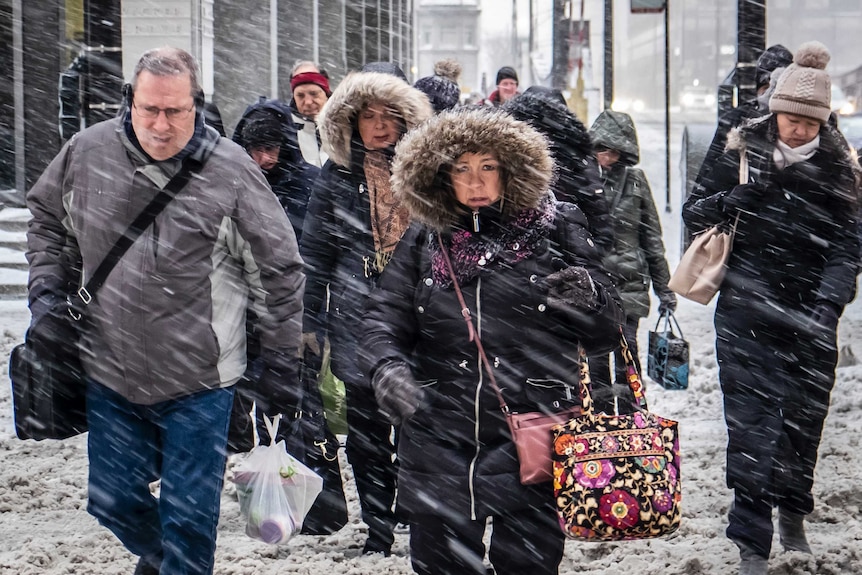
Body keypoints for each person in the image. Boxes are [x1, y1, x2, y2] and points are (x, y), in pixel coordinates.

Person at [25, 47, 305, 575]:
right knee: (110, 500)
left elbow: (280, 269)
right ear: (130, 100)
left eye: (175, 111)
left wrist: (283, 360)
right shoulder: (87, 153)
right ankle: (164, 560)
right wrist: (46, 295)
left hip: (202, 377)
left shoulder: (231, 171)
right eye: (149, 108)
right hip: (110, 367)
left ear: (195, 105)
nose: (160, 123)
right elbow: (44, 221)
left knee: (189, 518)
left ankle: (178, 560)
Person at [359, 107, 625, 575]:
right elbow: (384, 316)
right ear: (442, 176)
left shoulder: (557, 228)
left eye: (488, 167)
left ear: (510, 171)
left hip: (533, 430)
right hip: (439, 430)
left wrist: (591, 298)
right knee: (442, 566)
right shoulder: (426, 238)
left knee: (528, 566)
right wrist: (388, 368)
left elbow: (607, 328)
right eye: (462, 169)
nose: (475, 182)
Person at [682, 41, 860, 575]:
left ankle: (793, 514)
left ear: (822, 122)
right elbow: (695, 212)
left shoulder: (839, 166)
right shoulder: (740, 149)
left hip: (811, 316)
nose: (798, 129)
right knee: (752, 426)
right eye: (790, 117)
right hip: (745, 310)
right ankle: (752, 544)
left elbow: (850, 245)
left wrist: (829, 303)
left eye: (809, 122)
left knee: (803, 425)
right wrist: (732, 201)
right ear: (775, 108)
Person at [300, 64, 433, 556]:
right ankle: (378, 527)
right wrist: (307, 321)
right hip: (355, 319)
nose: (379, 125)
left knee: (420, 425)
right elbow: (314, 253)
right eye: (367, 116)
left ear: (406, 120)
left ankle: (417, 516)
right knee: (365, 433)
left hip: (419, 321)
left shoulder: (427, 176)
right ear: (350, 123)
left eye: (389, 115)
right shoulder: (335, 178)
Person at [586, 109, 676, 413]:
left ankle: (631, 421)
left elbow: (652, 238)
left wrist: (665, 288)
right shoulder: (582, 180)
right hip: (593, 286)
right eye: (601, 149)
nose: (607, 157)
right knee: (596, 358)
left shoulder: (635, 180)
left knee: (627, 355)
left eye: (613, 151)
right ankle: (601, 425)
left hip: (629, 282)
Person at [504, 87, 614, 255]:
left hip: (518, 261)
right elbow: (601, 225)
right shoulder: (579, 158)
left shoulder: (510, 157)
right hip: (569, 256)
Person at [694, 44, 793, 191]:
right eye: (767, 88)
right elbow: (699, 196)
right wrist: (729, 200)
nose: (772, 97)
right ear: (758, 89)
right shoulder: (736, 122)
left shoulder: (808, 127)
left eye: (779, 89)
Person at [289, 60, 332, 168]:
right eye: (300, 96)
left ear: (326, 93)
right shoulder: (286, 130)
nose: (308, 102)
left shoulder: (346, 124)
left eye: (313, 94)